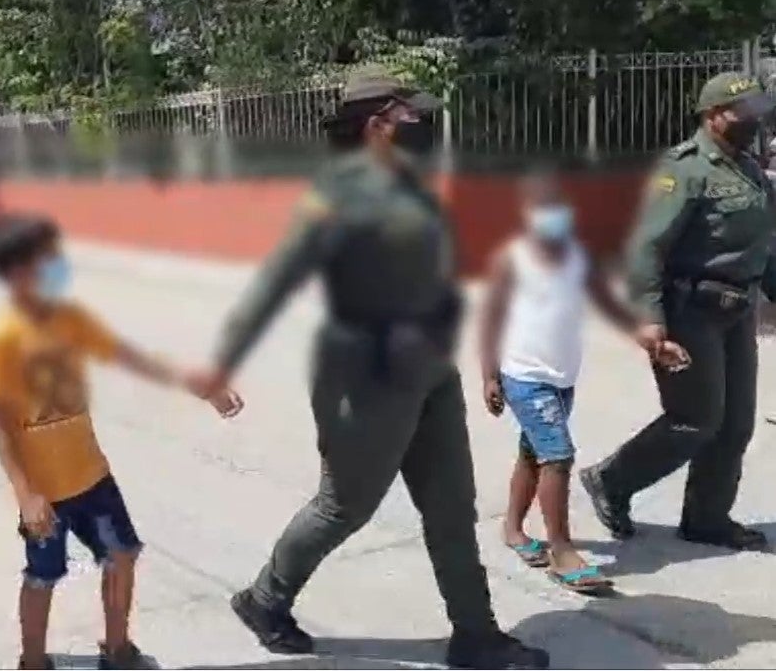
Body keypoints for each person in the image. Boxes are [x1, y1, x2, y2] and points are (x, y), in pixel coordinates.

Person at [190, 73, 549, 669]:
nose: (422, 125)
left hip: (431, 370)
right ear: (376, 125)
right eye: (409, 115)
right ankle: (264, 599)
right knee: (343, 507)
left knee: (451, 508)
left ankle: (476, 635)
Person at [0, 214, 243, 670]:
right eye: (48, 259)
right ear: (18, 272)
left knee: (121, 556)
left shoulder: (70, 320)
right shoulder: (5, 339)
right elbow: (0, 425)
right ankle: (33, 661)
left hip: (91, 475)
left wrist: (195, 382)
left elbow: (128, 356)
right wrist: (27, 495)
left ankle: (117, 649)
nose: (58, 265)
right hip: (45, 492)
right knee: (42, 576)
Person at [581, 71, 776, 551]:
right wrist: (649, 319)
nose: (754, 122)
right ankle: (612, 480)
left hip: (736, 309)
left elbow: (760, 246)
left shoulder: (746, 168)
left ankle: (707, 518)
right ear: (712, 117)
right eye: (742, 114)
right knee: (694, 419)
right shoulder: (683, 170)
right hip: (690, 310)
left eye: (757, 113)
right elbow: (645, 248)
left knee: (735, 424)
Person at [478, 174, 690, 594]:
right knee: (558, 456)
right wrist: (489, 374)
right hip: (525, 375)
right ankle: (561, 550)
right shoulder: (513, 260)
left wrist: (651, 340)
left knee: (533, 453)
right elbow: (492, 320)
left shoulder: (579, 258)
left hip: (562, 378)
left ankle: (514, 529)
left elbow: (609, 307)